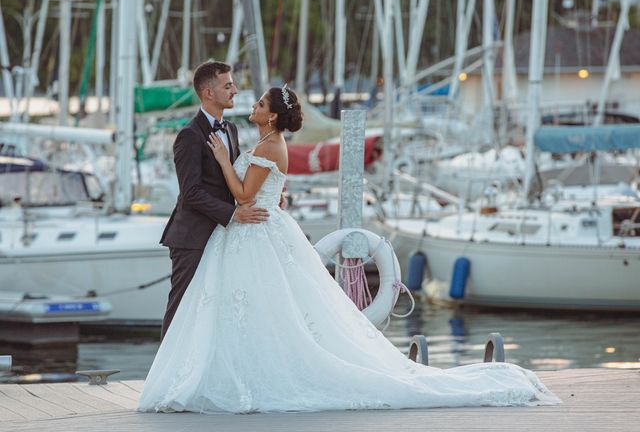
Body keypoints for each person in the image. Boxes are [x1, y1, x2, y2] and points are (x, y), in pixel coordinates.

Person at [139, 85, 560, 413]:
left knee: (261, 309)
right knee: (248, 309)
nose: (248, 103)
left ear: (270, 114)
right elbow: (251, 189)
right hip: (250, 231)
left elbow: (244, 194)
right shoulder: (252, 138)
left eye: (258, 102)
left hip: (254, 229)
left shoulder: (267, 145)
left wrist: (227, 165)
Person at [159, 60, 269, 339]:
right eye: (228, 85)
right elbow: (191, 192)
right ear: (209, 93)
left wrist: (265, 199)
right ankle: (165, 377)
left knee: (214, 311)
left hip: (223, 237)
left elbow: (233, 179)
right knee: (182, 307)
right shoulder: (188, 135)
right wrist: (234, 214)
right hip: (192, 237)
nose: (235, 90)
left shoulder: (230, 129)